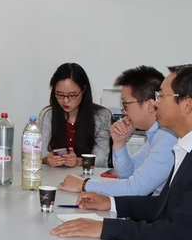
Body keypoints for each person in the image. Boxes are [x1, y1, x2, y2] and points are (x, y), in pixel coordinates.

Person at [51, 65, 192, 240]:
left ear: (187, 104)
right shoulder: (182, 147)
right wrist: (111, 203)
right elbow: (162, 205)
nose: (156, 103)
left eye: (162, 96)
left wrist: (105, 227)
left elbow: (175, 232)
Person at [58, 66, 176, 196]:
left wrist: (85, 184)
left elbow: (137, 189)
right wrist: (119, 142)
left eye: (125, 104)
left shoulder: (168, 136)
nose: (124, 111)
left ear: (149, 105)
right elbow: (127, 174)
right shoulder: (156, 133)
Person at [39, 63, 111, 169]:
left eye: (72, 95)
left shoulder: (101, 116)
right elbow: (39, 155)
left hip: (87, 179)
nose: (65, 100)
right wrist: (48, 159)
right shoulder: (47, 115)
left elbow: (102, 160)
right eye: (60, 94)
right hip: (53, 177)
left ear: (83, 90)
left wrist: (78, 161)